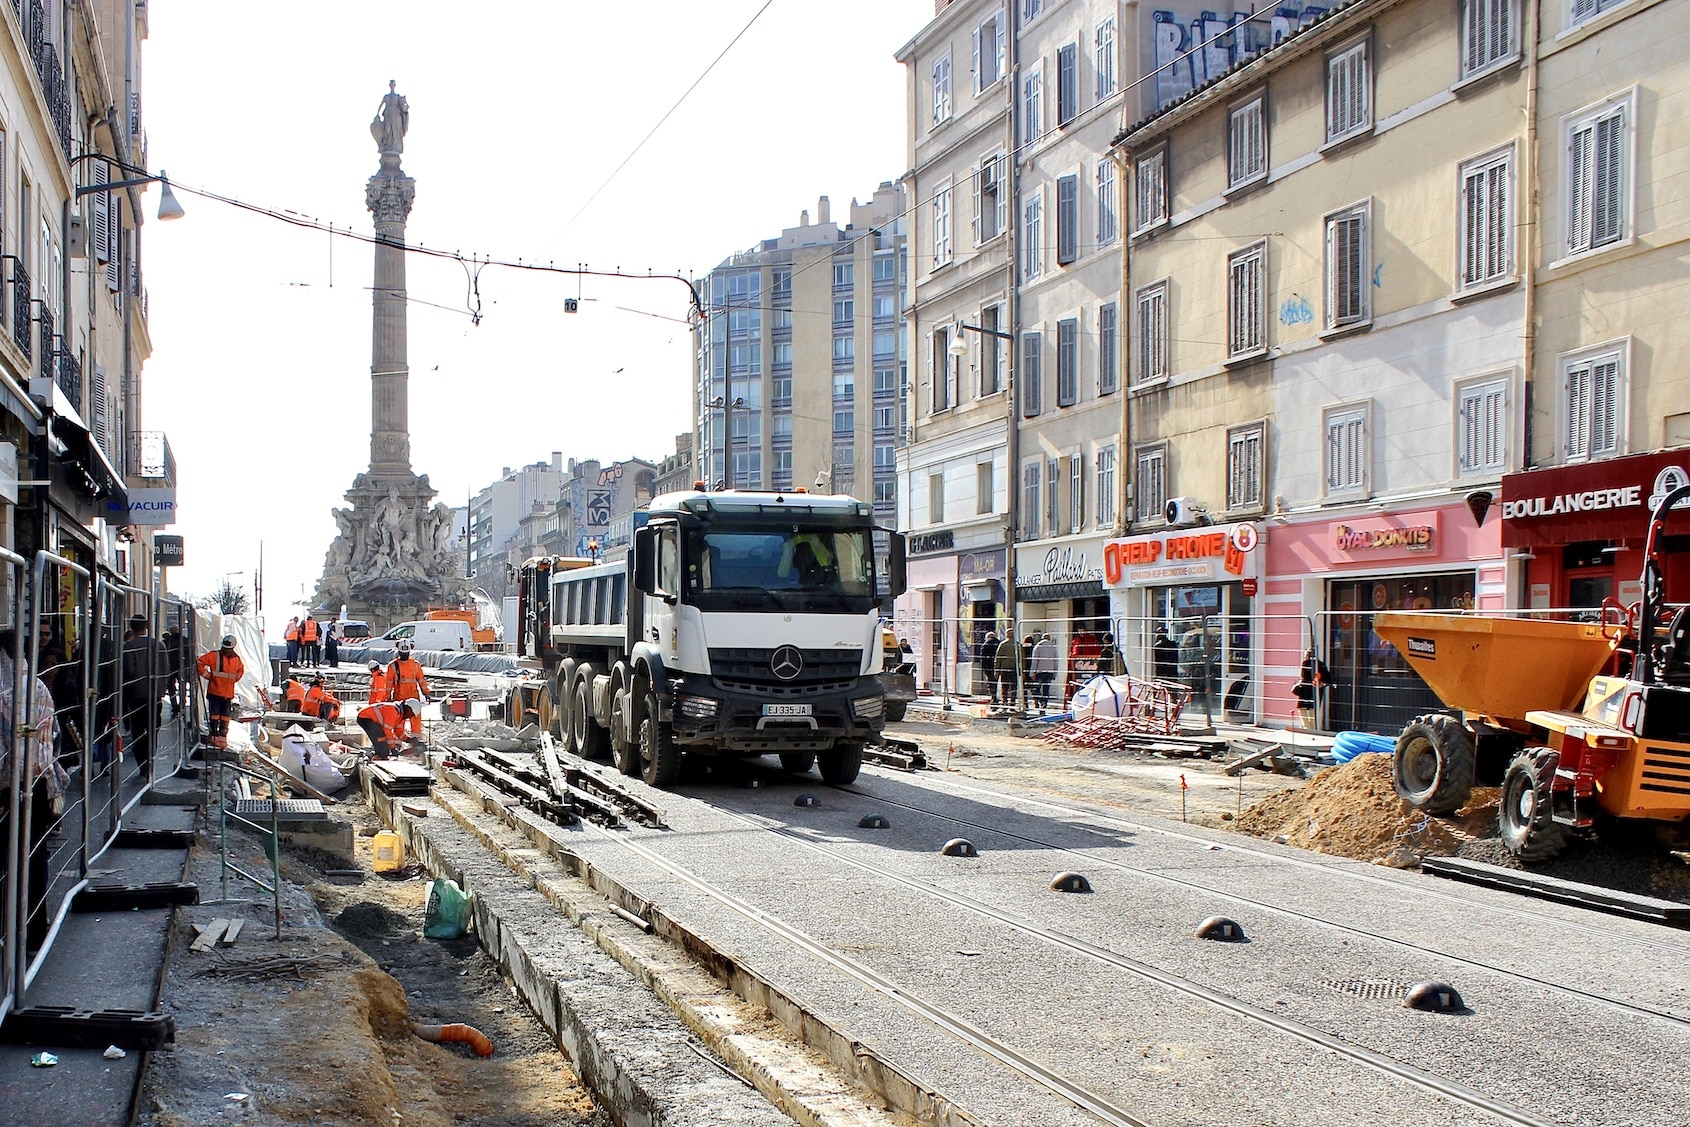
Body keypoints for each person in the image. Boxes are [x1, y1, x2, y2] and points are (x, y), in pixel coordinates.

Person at [0, 630, 67, 953]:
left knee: (9, 857)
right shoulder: (40, 688)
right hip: (40, 781)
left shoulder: (7, 694)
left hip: (12, 784)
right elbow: (53, 733)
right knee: (36, 856)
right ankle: (35, 929)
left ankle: (11, 930)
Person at [121, 614, 168, 775]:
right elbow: (165, 669)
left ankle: (143, 763)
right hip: (155, 694)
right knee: (153, 728)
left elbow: (129, 670)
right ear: (146, 626)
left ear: (131, 628)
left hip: (136, 695)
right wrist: (161, 689)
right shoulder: (159, 645)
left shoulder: (128, 646)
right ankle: (150, 758)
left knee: (138, 731)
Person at [197, 634, 245, 749]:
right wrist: (208, 676)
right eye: (225, 648)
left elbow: (240, 671)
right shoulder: (214, 656)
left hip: (227, 694)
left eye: (228, 649)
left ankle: (222, 737)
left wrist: (234, 679)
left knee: (225, 716)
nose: (226, 651)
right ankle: (214, 735)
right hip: (215, 691)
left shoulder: (236, 659)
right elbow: (199, 663)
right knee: (214, 715)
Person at [388, 639, 429, 736]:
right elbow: (388, 684)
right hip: (404, 698)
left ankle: (415, 741)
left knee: (411, 721)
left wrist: (426, 693)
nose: (404, 655)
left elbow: (421, 680)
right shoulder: (395, 665)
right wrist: (426, 693)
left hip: (404, 698)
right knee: (401, 722)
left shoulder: (413, 665)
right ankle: (400, 741)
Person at [1293, 646, 1332, 730]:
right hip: (1316, 692)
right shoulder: (1321, 664)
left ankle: (1308, 729)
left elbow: (1303, 677)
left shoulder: (1305, 663)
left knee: (1303, 712)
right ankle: (1312, 730)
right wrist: (1321, 682)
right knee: (1312, 713)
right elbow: (1328, 679)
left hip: (1305, 691)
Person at [1030, 633, 1058, 710]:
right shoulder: (1053, 647)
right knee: (1046, 689)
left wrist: (1032, 672)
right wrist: (1055, 673)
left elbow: (1035, 661)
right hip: (1050, 671)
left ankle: (1040, 700)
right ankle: (1044, 703)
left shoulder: (1038, 646)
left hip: (1040, 671)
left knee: (1037, 688)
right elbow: (1056, 661)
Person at [992, 629, 1017, 706]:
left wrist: (997, 670)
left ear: (1007, 635)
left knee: (1004, 686)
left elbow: (998, 658)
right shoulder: (1017, 644)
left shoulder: (1002, 644)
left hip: (1004, 668)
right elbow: (1020, 658)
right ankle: (1012, 701)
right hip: (1014, 668)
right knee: (1014, 686)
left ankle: (1004, 701)